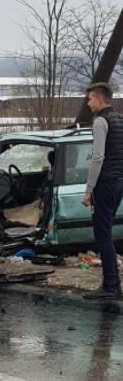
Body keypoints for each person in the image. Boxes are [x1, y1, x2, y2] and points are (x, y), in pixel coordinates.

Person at [82, 82, 123, 300]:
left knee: (103, 234)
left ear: (99, 99)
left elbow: (98, 157)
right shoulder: (119, 119)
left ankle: (109, 285)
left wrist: (88, 189)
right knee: (107, 230)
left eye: (89, 99)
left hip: (105, 182)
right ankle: (114, 283)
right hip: (118, 182)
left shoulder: (100, 121)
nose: (88, 103)